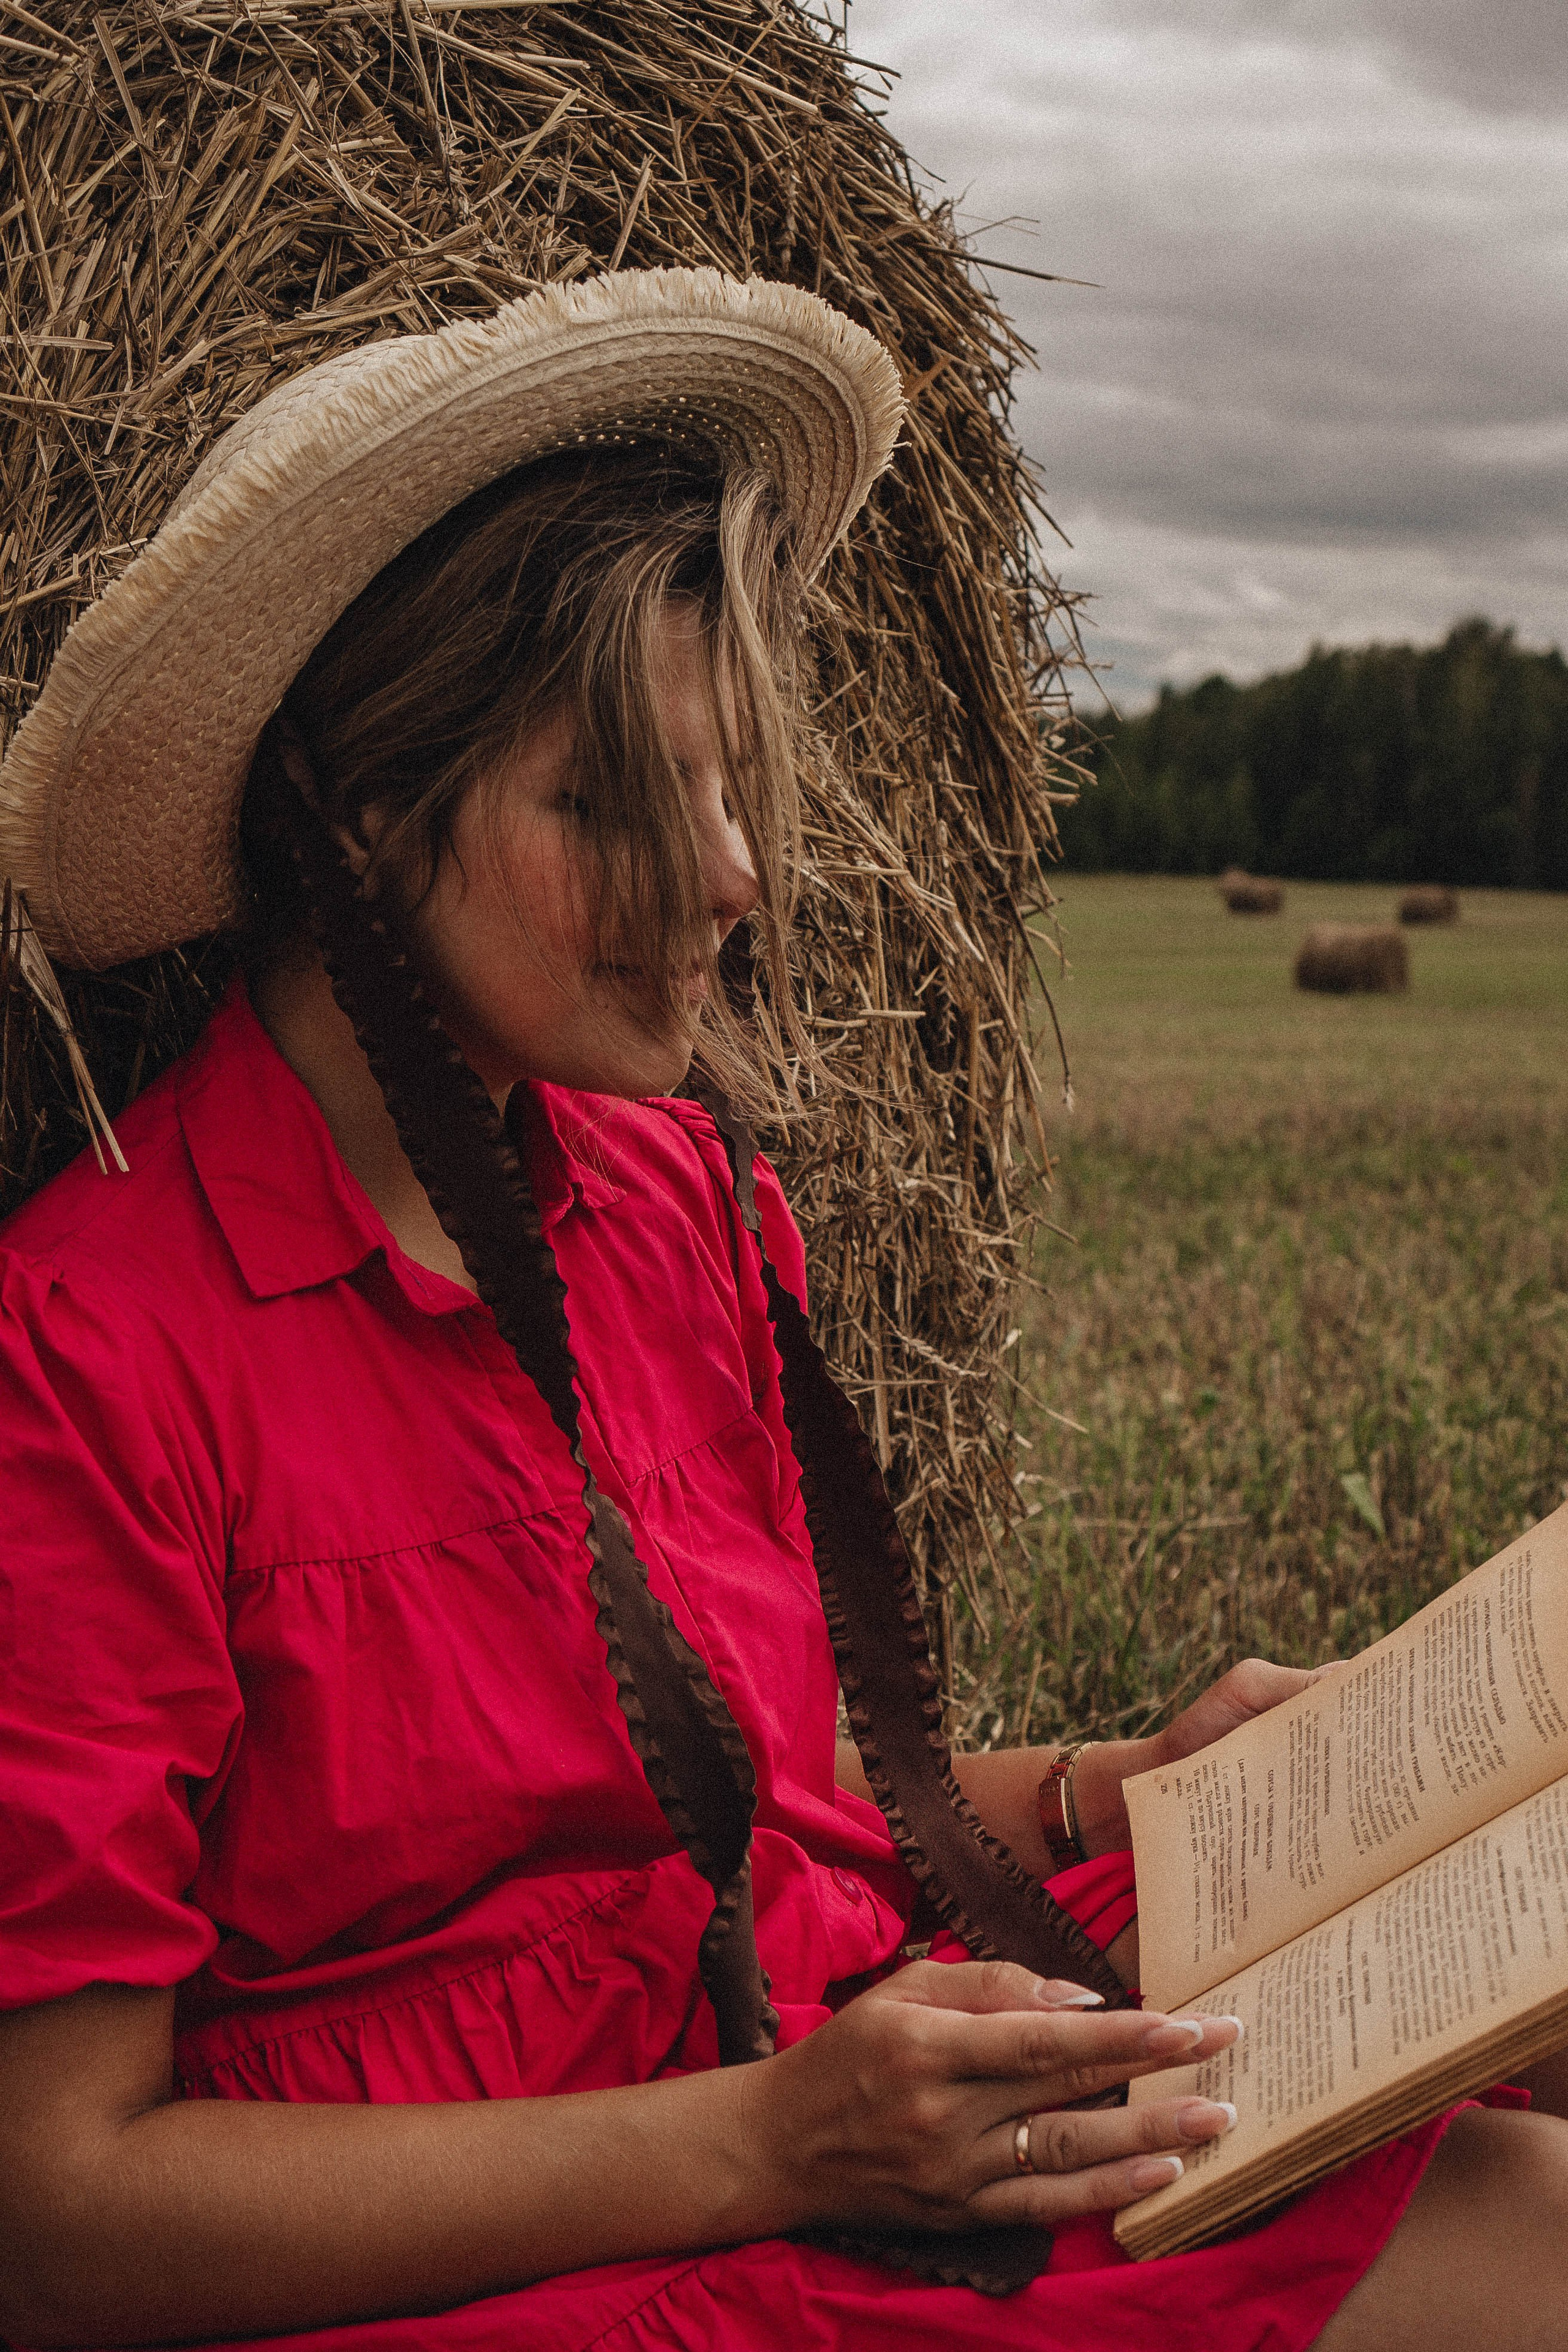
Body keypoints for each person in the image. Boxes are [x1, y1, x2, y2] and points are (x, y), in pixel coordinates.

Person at [0, 270, 1564, 2352]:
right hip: (543, 2245)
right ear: (360, 819)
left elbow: (770, 1807)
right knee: (1536, 2225)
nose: (733, 878)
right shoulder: (91, 1355)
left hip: (823, 2052)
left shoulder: (671, 1209)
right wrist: (778, 2142)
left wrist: (1132, 1785)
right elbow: (55, 2218)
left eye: (736, 788)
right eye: (620, 803)